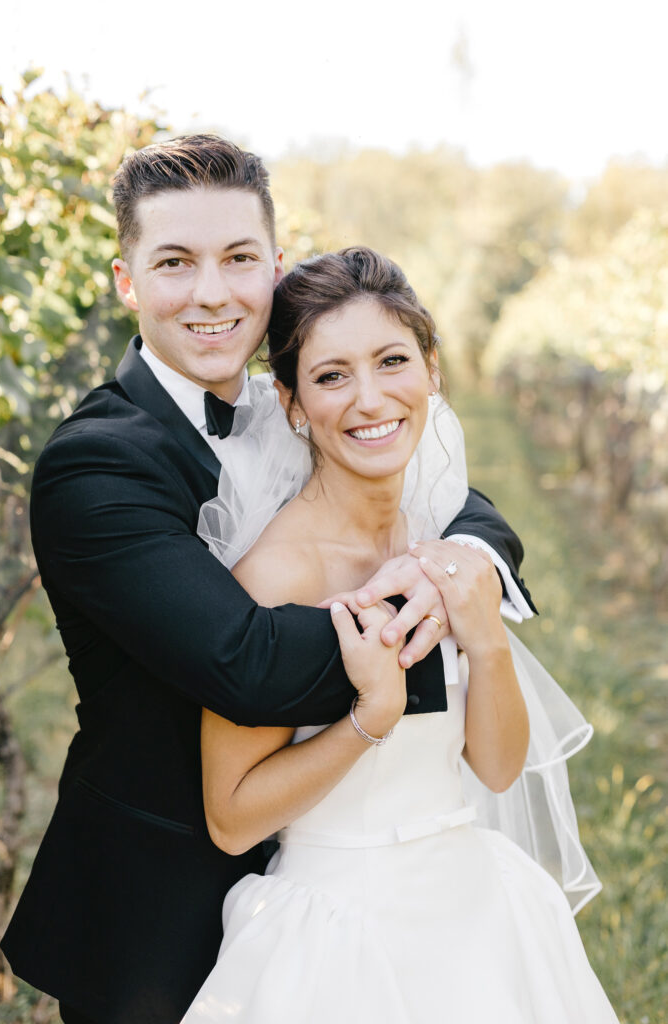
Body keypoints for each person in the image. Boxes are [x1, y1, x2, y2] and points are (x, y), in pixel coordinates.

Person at [0, 136, 534, 1024]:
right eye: (175, 262)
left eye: (239, 259)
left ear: (273, 269)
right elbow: (244, 659)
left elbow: (462, 505)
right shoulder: (94, 465)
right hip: (161, 913)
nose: (212, 293)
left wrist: (469, 563)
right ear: (127, 281)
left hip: (337, 884)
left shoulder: (301, 405)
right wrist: (435, 611)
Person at [182, 247, 619, 1022]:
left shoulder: (439, 541)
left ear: (432, 372)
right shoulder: (274, 580)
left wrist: (484, 639)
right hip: (343, 929)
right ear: (289, 403)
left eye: (392, 361)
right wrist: (365, 722)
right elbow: (232, 816)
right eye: (330, 375)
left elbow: (495, 766)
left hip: (476, 906)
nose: (370, 397)